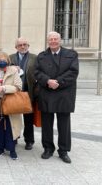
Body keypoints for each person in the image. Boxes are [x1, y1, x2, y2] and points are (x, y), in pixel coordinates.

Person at [35, 31, 79, 164]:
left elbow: (73, 72)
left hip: (64, 93)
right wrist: (48, 81)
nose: (53, 41)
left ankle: (63, 151)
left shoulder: (71, 55)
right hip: (47, 93)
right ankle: (48, 148)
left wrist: (57, 82)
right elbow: (37, 72)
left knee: (64, 124)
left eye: (56, 39)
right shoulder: (41, 56)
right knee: (47, 124)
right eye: (51, 39)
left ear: (60, 40)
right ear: (48, 41)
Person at [9, 37, 37, 150]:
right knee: (14, 117)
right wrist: (11, 67)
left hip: (28, 92)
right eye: (20, 45)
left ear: (28, 46)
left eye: (25, 44)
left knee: (28, 118)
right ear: (16, 47)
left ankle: (29, 140)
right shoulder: (10, 57)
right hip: (14, 92)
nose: (23, 47)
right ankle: (14, 138)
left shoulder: (35, 58)